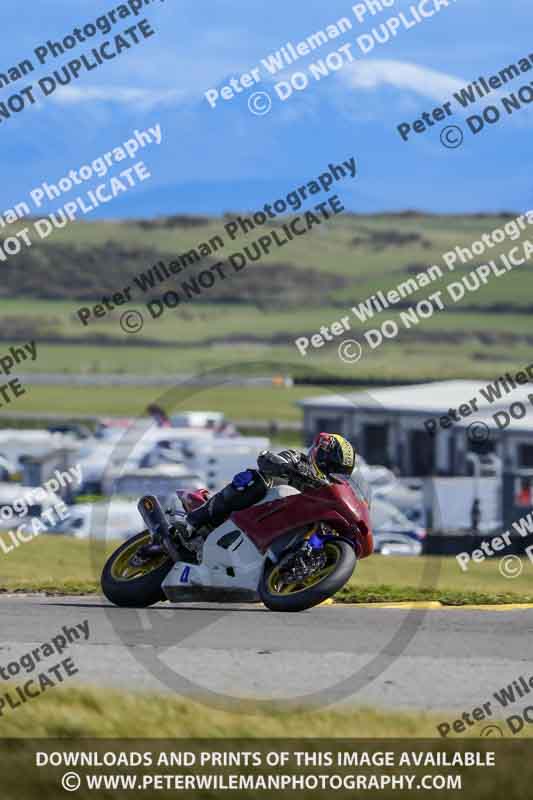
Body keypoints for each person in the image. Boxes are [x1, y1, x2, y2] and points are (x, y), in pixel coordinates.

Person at [176, 432, 357, 544]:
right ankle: (194, 519)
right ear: (323, 457)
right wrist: (287, 468)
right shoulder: (297, 459)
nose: (336, 477)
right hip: (257, 508)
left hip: (278, 526)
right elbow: (266, 460)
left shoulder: (327, 493)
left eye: (342, 474)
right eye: (335, 469)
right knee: (254, 479)